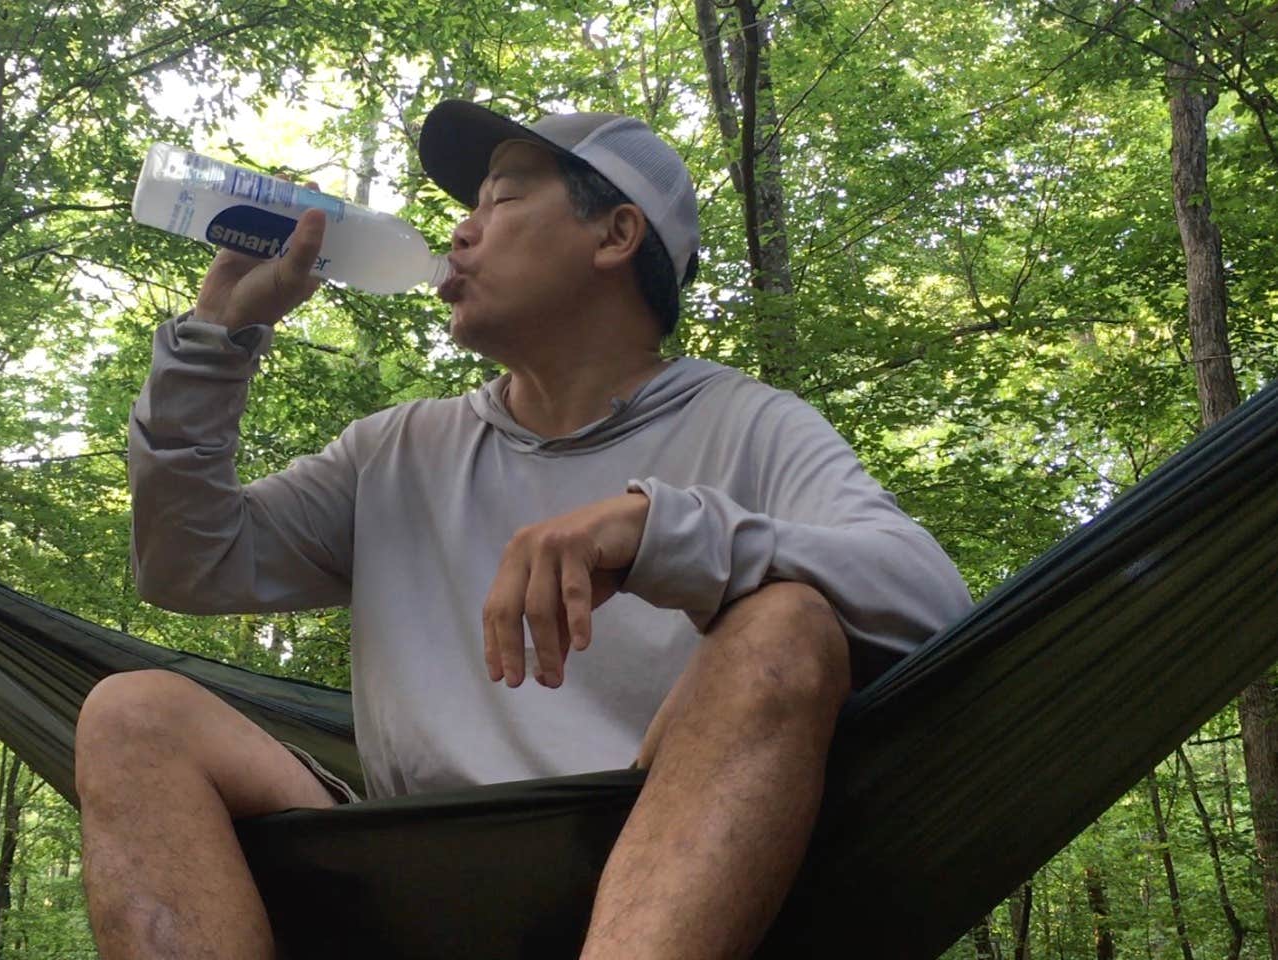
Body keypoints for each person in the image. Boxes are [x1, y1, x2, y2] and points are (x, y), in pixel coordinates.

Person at [74, 99, 973, 959]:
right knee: (134, 714)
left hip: (661, 858)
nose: (462, 230)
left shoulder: (750, 424)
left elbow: (932, 603)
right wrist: (214, 342)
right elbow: (188, 564)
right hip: (409, 874)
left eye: (502, 198)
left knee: (786, 624)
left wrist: (659, 531)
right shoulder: (397, 450)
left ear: (616, 237)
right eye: (467, 207)